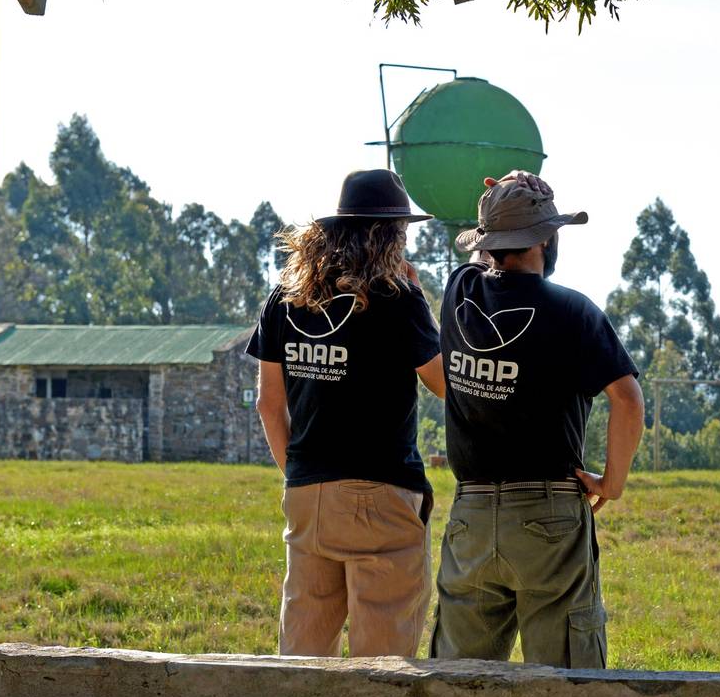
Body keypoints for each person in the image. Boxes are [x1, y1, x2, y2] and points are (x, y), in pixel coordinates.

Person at [429, 171, 645, 669]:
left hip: (472, 516)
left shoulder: (459, 295)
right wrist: (611, 484)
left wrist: (499, 202)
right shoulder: (573, 312)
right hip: (549, 513)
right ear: (547, 239)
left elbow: (479, 257)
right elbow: (628, 399)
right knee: (566, 685)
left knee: (458, 684)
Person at [248, 169, 445, 658]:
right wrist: (422, 301)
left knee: (303, 656)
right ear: (390, 233)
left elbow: (268, 405)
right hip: (379, 493)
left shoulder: (285, 297)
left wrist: (299, 472)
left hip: (306, 492)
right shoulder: (397, 297)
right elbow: (444, 383)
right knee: (382, 665)